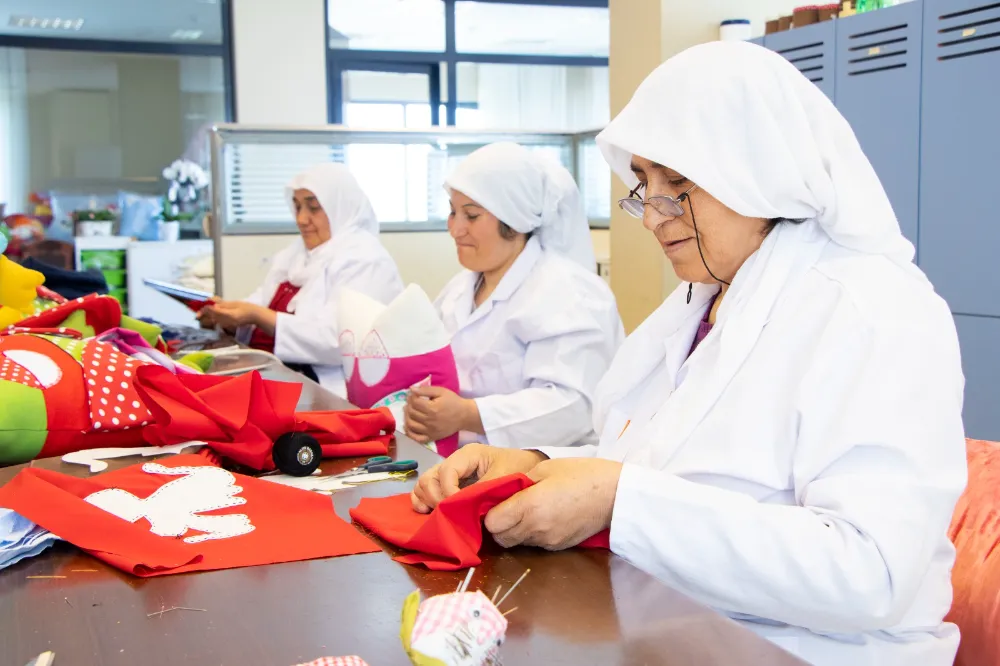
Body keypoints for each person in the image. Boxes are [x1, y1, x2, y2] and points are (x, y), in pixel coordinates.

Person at [410, 42, 967, 666]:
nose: (652, 216)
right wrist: (534, 462)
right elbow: (664, 466)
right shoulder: (703, 302)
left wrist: (620, 498)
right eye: (644, 184)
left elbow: (871, 574)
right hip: (675, 622)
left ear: (759, 168)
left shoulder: (872, 311)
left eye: (678, 184)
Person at [404, 142, 624, 453]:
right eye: (453, 212)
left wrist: (469, 415)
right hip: (462, 458)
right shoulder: (459, 288)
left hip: (542, 471)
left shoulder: (570, 293)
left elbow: (572, 406)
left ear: (515, 221)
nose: (455, 229)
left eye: (471, 215)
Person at [198, 163, 404, 394]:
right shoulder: (295, 255)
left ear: (340, 208)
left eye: (313, 208)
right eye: (296, 207)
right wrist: (228, 318)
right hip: (279, 374)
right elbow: (258, 302)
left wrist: (261, 317)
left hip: (328, 389)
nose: (301, 219)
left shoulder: (366, 260)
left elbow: (340, 342)